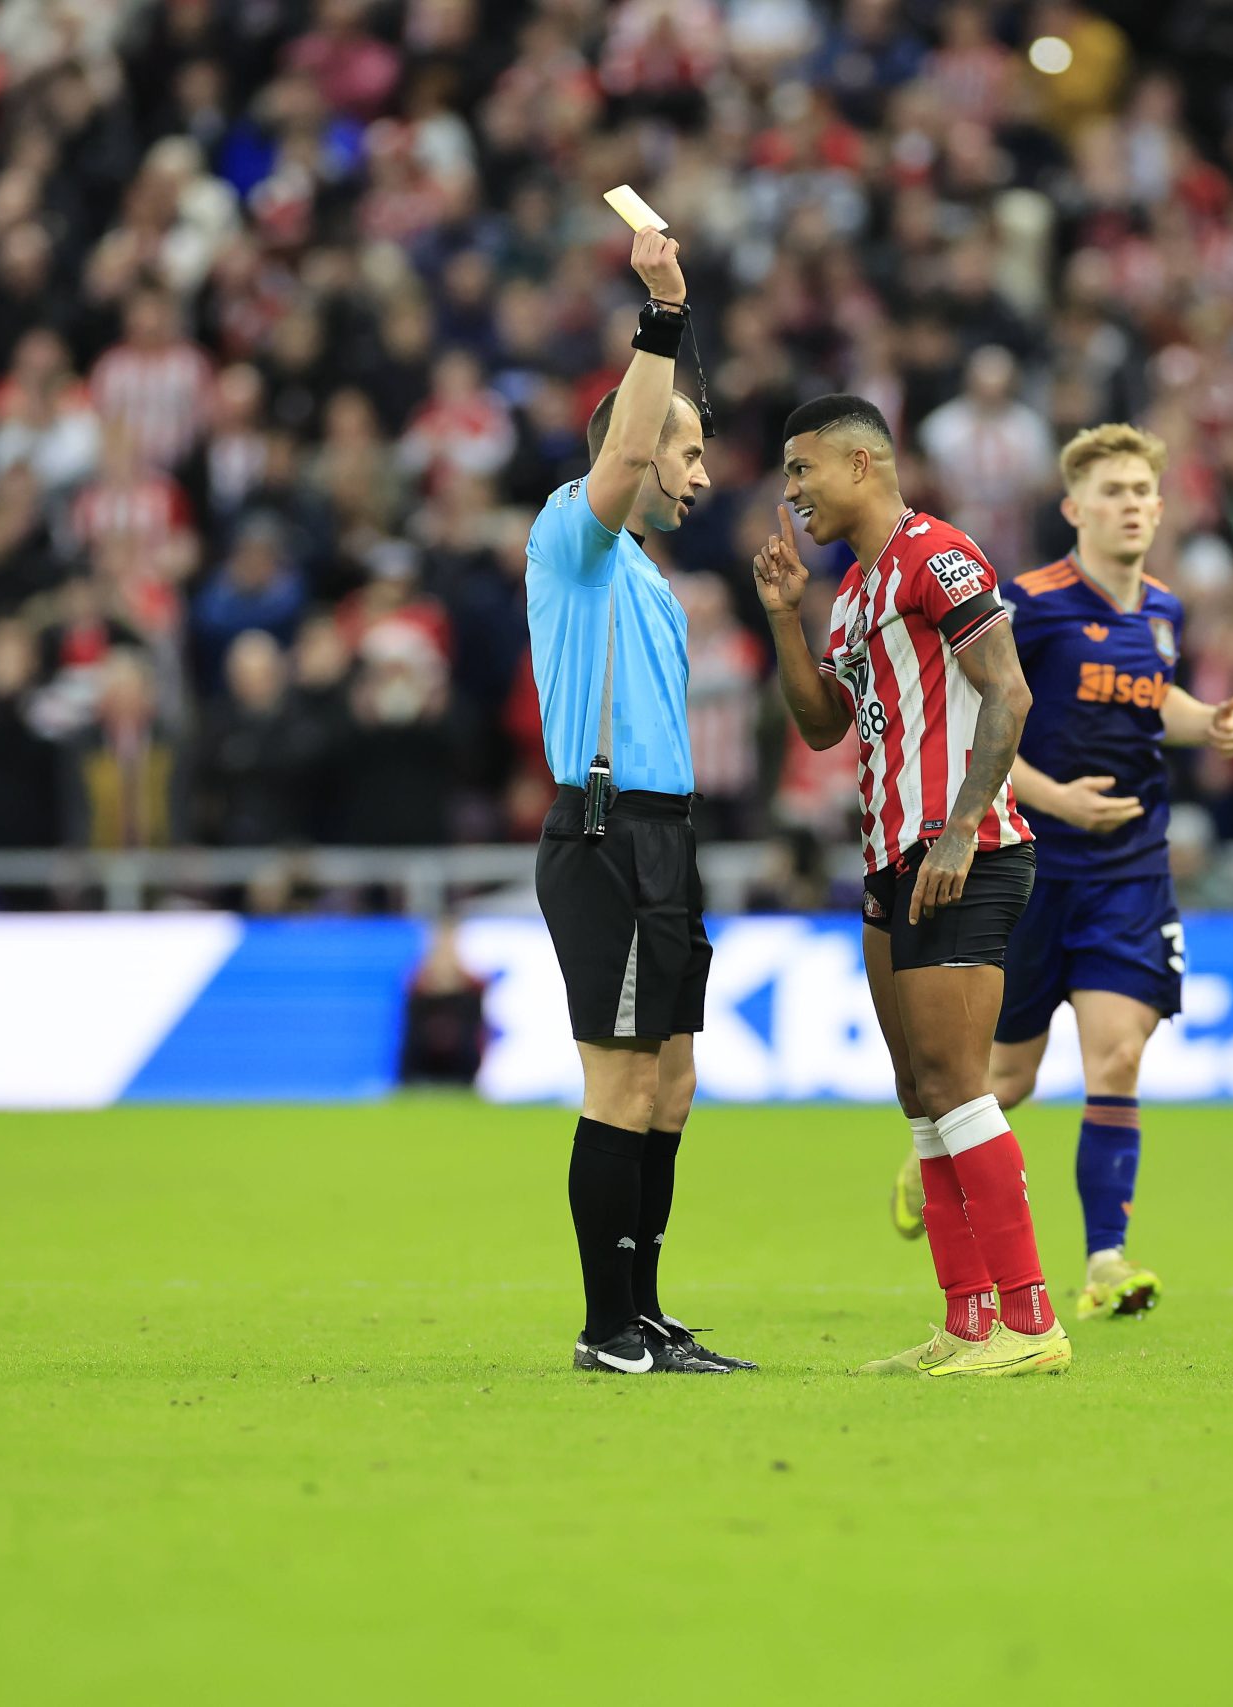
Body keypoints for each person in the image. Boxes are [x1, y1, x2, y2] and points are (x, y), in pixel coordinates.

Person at [884, 423, 1233, 1323]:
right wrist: (1058, 797)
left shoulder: (1162, 611)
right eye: (1112, 491)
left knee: (1118, 1054)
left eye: (1141, 492)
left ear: (1160, 509)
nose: (1130, 504)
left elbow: (1155, 700)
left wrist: (1215, 724)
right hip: (1035, 865)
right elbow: (982, 718)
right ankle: (931, 1149)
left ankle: (1105, 1262)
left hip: (1130, 871)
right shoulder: (1032, 603)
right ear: (1073, 508)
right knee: (1005, 1079)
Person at [752, 393, 1067, 1379]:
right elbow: (818, 728)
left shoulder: (939, 555)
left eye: (801, 469)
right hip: (890, 858)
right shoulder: (851, 593)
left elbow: (1009, 691)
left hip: (957, 851)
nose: (790, 489)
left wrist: (964, 825)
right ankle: (965, 1322)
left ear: (859, 465)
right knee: (920, 1094)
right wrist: (780, 618)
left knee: (959, 1085)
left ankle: (1031, 1323)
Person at [523, 227, 746, 1377]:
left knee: (669, 1083)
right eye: (689, 451)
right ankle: (605, 1327)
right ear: (630, 448)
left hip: (663, 836)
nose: (701, 474)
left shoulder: (647, 580)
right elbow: (621, 457)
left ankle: (645, 1312)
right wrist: (661, 313)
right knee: (618, 1080)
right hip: (605, 834)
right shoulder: (578, 536)